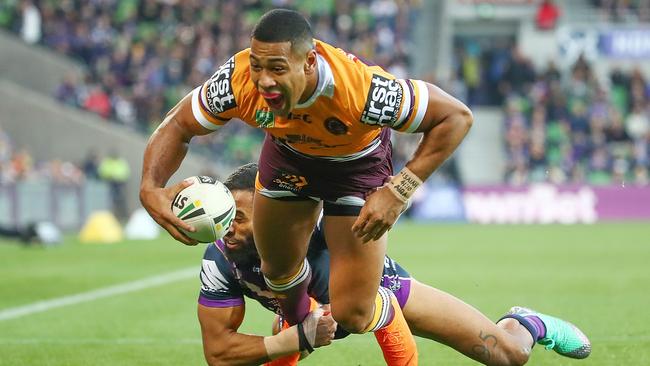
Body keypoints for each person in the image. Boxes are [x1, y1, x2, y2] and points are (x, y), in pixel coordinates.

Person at [141, 8, 469, 364]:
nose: (263, 80)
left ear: (309, 62)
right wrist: (150, 186)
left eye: (277, 68)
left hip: (354, 171)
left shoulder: (361, 91)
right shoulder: (237, 81)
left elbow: (455, 117)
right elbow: (178, 124)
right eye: (257, 66)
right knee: (277, 269)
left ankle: (521, 325)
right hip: (289, 161)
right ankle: (297, 324)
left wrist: (399, 190)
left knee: (354, 316)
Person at [198, 163, 591, 365]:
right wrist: (296, 336)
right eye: (227, 218)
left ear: (273, 219)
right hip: (312, 308)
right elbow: (218, 352)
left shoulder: (316, 231)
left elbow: (382, 315)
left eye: (241, 219)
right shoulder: (219, 260)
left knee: (510, 357)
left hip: (382, 291)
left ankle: (526, 323)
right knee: (289, 331)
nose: (229, 230)